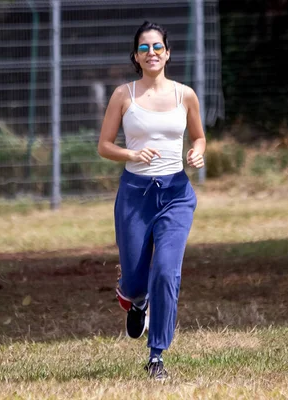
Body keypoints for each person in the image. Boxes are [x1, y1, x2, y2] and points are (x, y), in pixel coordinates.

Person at [97, 20, 206, 380]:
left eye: (157, 47)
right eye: (144, 48)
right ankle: (134, 298)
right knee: (135, 279)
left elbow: (199, 137)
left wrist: (197, 153)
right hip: (134, 196)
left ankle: (156, 355)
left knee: (166, 272)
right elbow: (104, 146)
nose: (152, 53)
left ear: (168, 53)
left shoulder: (184, 95)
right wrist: (131, 155)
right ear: (136, 56)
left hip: (175, 195)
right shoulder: (124, 95)